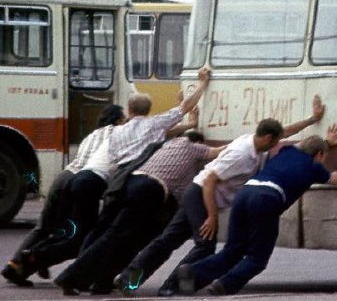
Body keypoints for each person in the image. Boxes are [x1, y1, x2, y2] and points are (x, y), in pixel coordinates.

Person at [113, 95, 328, 297]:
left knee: (167, 241)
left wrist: (311, 120)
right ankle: (172, 287)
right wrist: (212, 217)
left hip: (198, 195)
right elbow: (209, 181)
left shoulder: (257, 144)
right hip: (200, 195)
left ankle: (129, 279)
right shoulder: (242, 153)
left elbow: (286, 132)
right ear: (268, 138)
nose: (278, 146)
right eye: (276, 141)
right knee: (204, 245)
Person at [16, 68, 211, 279]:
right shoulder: (152, 126)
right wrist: (201, 85)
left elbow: (169, 126)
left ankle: (68, 270)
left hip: (108, 183)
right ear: (148, 110)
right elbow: (183, 109)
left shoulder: (118, 131)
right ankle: (57, 266)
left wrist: (190, 122)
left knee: (96, 231)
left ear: (129, 110)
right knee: (110, 235)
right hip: (125, 182)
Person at [174, 130, 337, 296]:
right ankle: (223, 286)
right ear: (319, 154)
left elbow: (304, 146)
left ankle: (192, 272)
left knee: (233, 250)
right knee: (258, 258)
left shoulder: (286, 151)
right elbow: (335, 178)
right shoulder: (314, 168)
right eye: (324, 155)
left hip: (244, 194)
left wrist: (324, 142)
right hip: (267, 198)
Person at [52, 129, 226, 295]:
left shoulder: (168, 148)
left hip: (130, 184)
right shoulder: (188, 145)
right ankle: (70, 277)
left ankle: (101, 282)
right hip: (148, 191)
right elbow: (217, 151)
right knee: (117, 239)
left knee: (120, 239)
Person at [0, 103, 125, 287]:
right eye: (124, 119)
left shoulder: (91, 135)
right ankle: (39, 260)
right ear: (119, 120)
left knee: (44, 227)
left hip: (63, 177)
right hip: (79, 181)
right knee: (74, 235)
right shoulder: (116, 134)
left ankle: (15, 265)